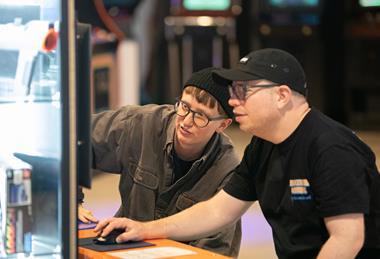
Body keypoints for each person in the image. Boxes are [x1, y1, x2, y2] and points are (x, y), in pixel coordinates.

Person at [94, 48, 380, 258]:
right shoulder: (263, 144)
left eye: (244, 91)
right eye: (234, 91)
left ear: (281, 95)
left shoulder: (331, 148)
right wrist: (145, 229)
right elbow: (217, 210)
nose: (232, 100)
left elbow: (347, 240)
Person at [78, 67, 242, 257]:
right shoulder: (140, 124)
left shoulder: (227, 171)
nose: (186, 121)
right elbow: (71, 139)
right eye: (184, 106)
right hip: (122, 249)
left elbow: (216, 252)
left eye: (200, 116)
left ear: (223, 125)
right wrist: (72, 201)